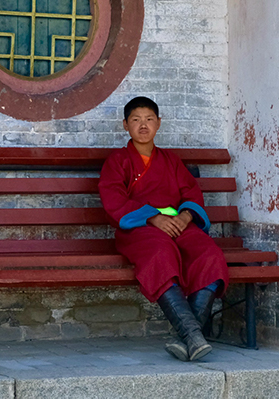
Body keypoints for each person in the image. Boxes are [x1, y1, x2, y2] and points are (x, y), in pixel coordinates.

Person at [99, 96, 229, 361]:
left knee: (210, 255)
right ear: (125, 125)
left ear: (158, 123)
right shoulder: (118, 160)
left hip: (178, 225)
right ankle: (193, 335)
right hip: (139, 229)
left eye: (149, 119)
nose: (143, 125)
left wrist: (186, 216)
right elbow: (114, 200)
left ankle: (188, 338)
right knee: (160, 254)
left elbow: (190, 193)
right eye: (136, 120)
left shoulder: (170, 160)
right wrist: (152, 218)